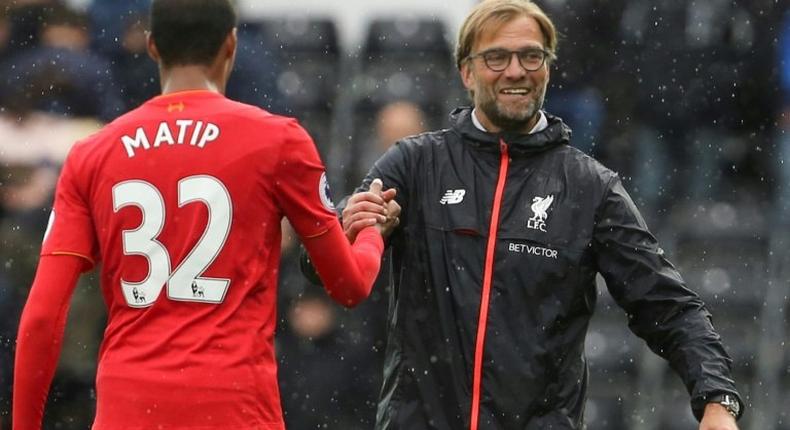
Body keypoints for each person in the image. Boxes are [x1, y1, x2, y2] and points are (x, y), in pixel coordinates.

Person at [327, 1, 744, 429]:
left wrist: (717, 397)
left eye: (531, 56)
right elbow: (324, 261)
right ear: (466, 73)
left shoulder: (589, 187)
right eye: (496, 57)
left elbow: (667, 304)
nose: (515, 71)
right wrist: (352, 225)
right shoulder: (414, 164)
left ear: (547, 67)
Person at [12, 0, 398, 429]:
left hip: (129, 406)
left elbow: (44, 315)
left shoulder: (93, 153)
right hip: (233, 405)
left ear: (153, 47)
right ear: (230, 44)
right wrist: (371, 233)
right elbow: (348, 285)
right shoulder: (278, 141)